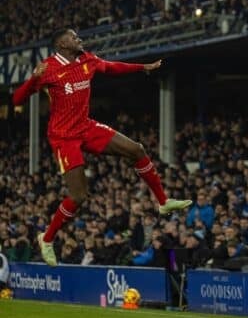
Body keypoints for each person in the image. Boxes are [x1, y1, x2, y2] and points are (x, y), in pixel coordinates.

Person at [12, 28, 192, 267]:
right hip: (64, 137)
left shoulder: (87, 59)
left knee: (136, 149)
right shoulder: (49, 68)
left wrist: (142, 68)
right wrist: (34, 79)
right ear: (62, 43)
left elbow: (112, 66)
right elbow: (16, 100)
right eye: (73, 37)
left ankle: (163, 201)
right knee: (78, 196)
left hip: (85, 127)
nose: (79, 39)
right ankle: (47, 239)